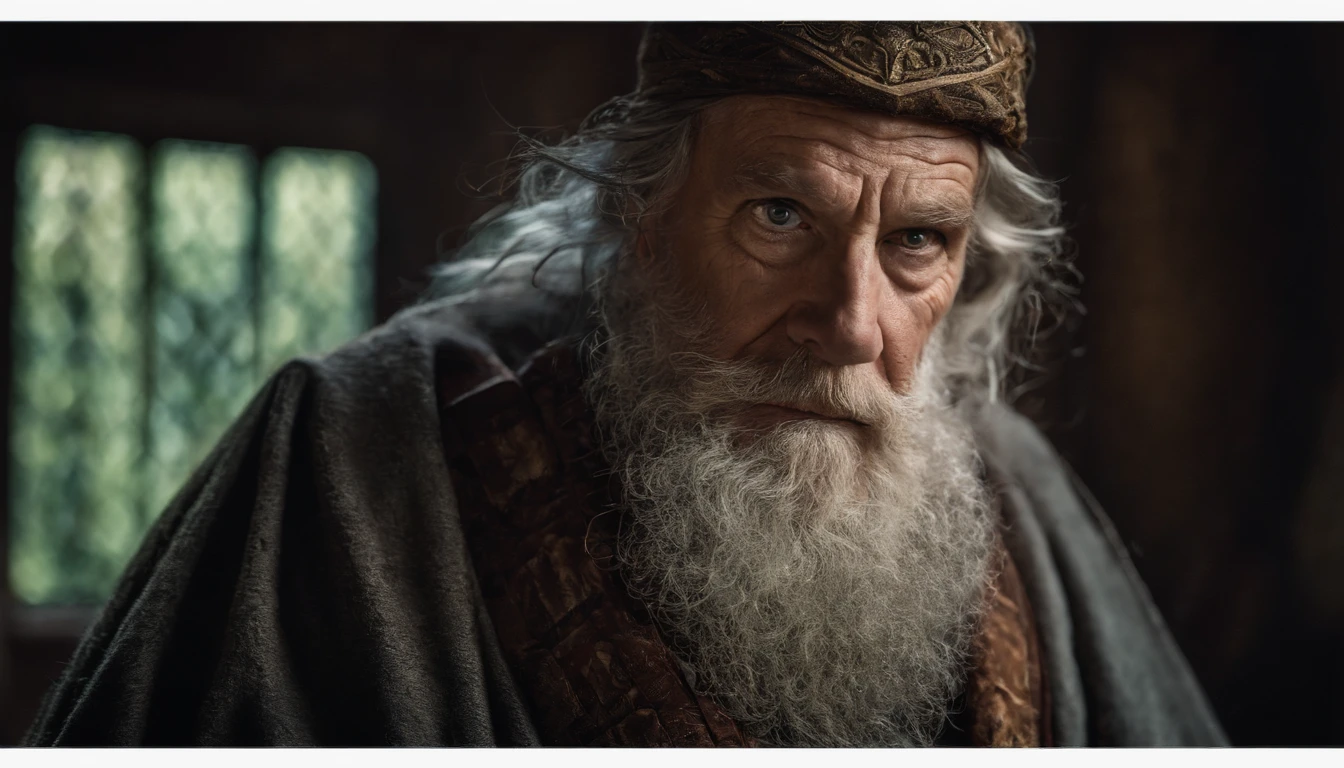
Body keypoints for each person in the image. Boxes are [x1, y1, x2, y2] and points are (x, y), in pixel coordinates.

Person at [25, 21, 1226, 747]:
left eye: (917, 241)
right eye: (778, 213)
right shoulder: (352, 457)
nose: (850, 325)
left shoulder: (1016, 496)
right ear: (639, 216)